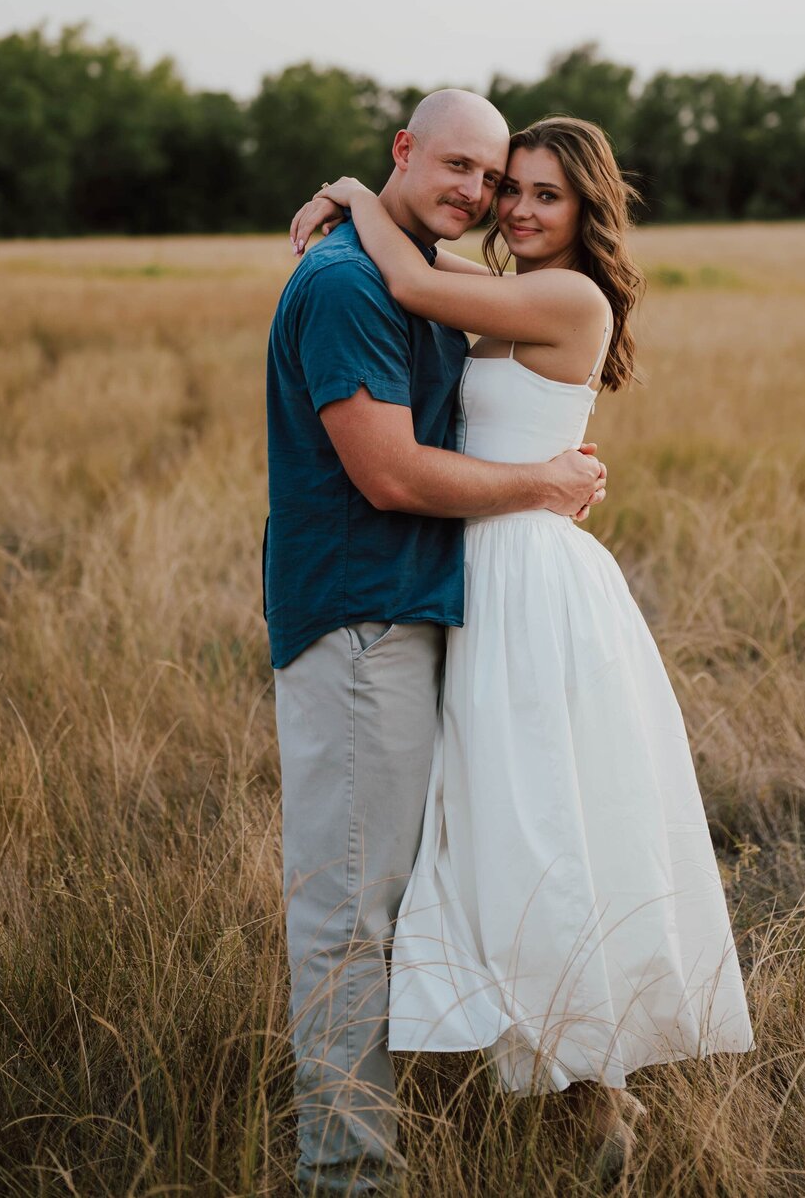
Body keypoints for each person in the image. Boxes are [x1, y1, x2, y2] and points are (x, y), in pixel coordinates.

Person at [291, 115, 754, 1186]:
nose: (520, 208)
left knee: (535, 820)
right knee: (490, 826)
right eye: (513, 189)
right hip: (478, 574)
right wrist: (372, 209)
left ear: (588, 208)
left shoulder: (572, 299)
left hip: (532, 582)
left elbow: (411, 280)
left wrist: (355, 195)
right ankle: (561, 1077)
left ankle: (593, 1088)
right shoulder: (508, 289)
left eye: (547, 193)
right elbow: (429, 270)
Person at [264, 90, 606, 1198]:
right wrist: (543, 480)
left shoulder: (418, 274)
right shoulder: (351, 282)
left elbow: (439, 299)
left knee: (483, 864)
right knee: (348, 912)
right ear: (405, 150)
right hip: (363, 619)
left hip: (444, 608)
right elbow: (391, 474)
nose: (487, 196)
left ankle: (582, 1100)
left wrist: (356, 199)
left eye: (500, 181)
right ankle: (346, 1175)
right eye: (466, 168)